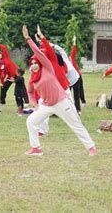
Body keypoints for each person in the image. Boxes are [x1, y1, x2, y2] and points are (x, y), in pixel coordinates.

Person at [21, 25, 97, 156]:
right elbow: (30, 92)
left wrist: (29, 39)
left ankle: (91, 147)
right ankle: (36, 148)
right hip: (46, 105)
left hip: (61, 101)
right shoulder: (33, 77)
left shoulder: (47, 66)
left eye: (35, 62)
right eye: (31, 63)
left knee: (75, 124)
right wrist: (35, 105)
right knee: (31, 121)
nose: (34, 64)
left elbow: (39, 53)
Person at [69, 35, 86, 106]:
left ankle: (83, 101)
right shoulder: (63, 63)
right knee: (67, 91)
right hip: (69, 79)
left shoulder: (71, 59)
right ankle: (69, 103)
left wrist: (74, 42)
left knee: (79, 90)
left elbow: (74, 51)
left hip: (78, 76)